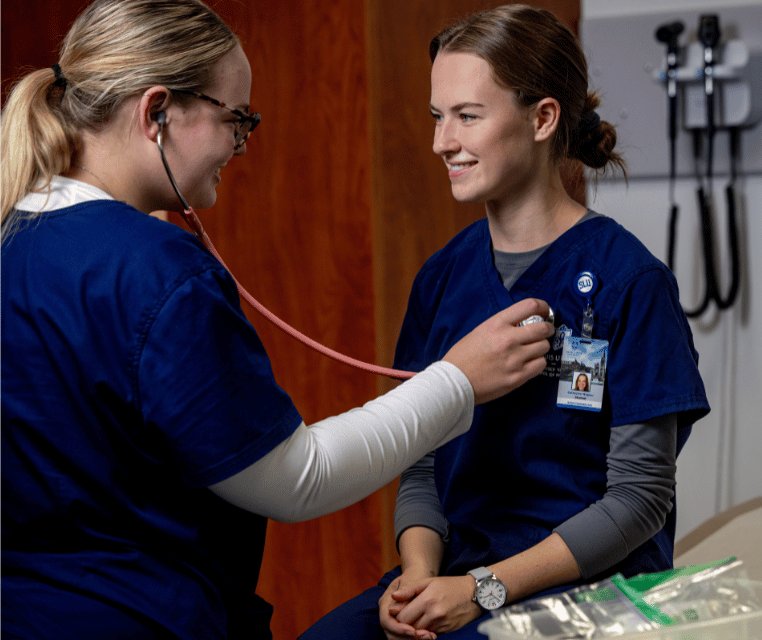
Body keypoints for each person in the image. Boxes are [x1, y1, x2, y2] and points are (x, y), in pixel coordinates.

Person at [0, 1, 555, 638]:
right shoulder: (156, 272)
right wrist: (457, 380)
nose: (240, 145)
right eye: (235, 120)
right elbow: (297, 478)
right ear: (156, 113)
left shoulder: (17, 240)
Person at [300, 5, 710, 640]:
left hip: (588, 589)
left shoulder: (629, 282)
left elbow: (637, 502)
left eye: (467, 116)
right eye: (438, 117)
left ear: (542, 119)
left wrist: (482, 589)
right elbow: (421, 464)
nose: (442, 142)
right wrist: (416, 576)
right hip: (455, 570)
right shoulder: (442, 279)